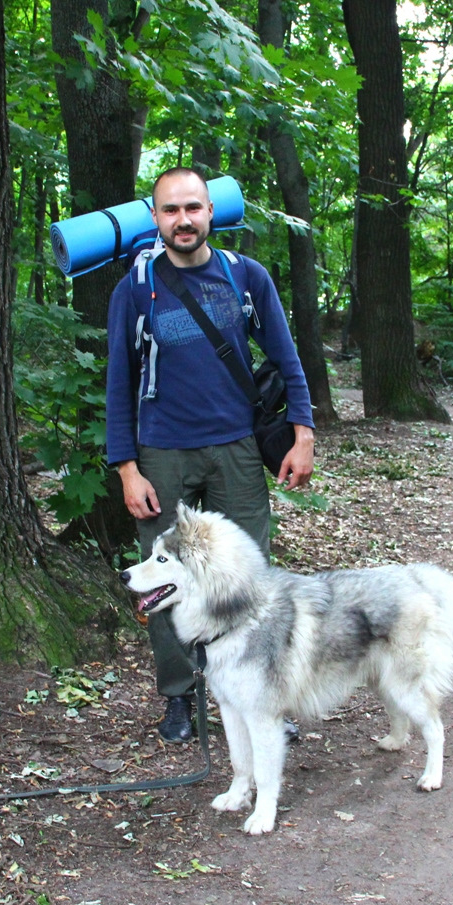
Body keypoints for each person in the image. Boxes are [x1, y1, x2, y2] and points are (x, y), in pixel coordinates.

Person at [106, 166, 316, 742]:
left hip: (237, 452)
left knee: (250, 580)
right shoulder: (136, 288)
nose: (183, 220)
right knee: (163, 582)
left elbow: (287, 357)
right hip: (161, 456)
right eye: (171, 210)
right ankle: (180, 699)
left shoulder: (245, 278)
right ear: (155, 218)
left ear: (210, 213)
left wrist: (303, 432)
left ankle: (264, 694)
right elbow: (118, 382)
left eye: (193, 208)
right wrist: (127, 468)